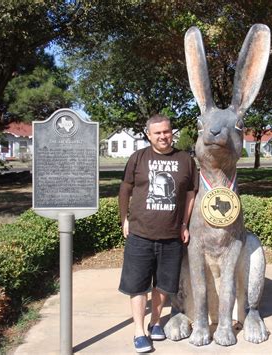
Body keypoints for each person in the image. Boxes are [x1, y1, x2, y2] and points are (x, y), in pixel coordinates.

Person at [118, 114, 198, 353]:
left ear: (171, 132)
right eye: (158, 133)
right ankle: (139, 331)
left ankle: (155, 323)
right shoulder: (138, 158)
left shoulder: (185, 160)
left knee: (163, 285)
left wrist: (184, 223)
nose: (163, 136)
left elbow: (191, 194)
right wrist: (124, 219)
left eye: (167, 131)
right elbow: (125, 190)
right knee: (138, 285)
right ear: (148, 135)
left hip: (172, 235)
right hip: (140, 234)